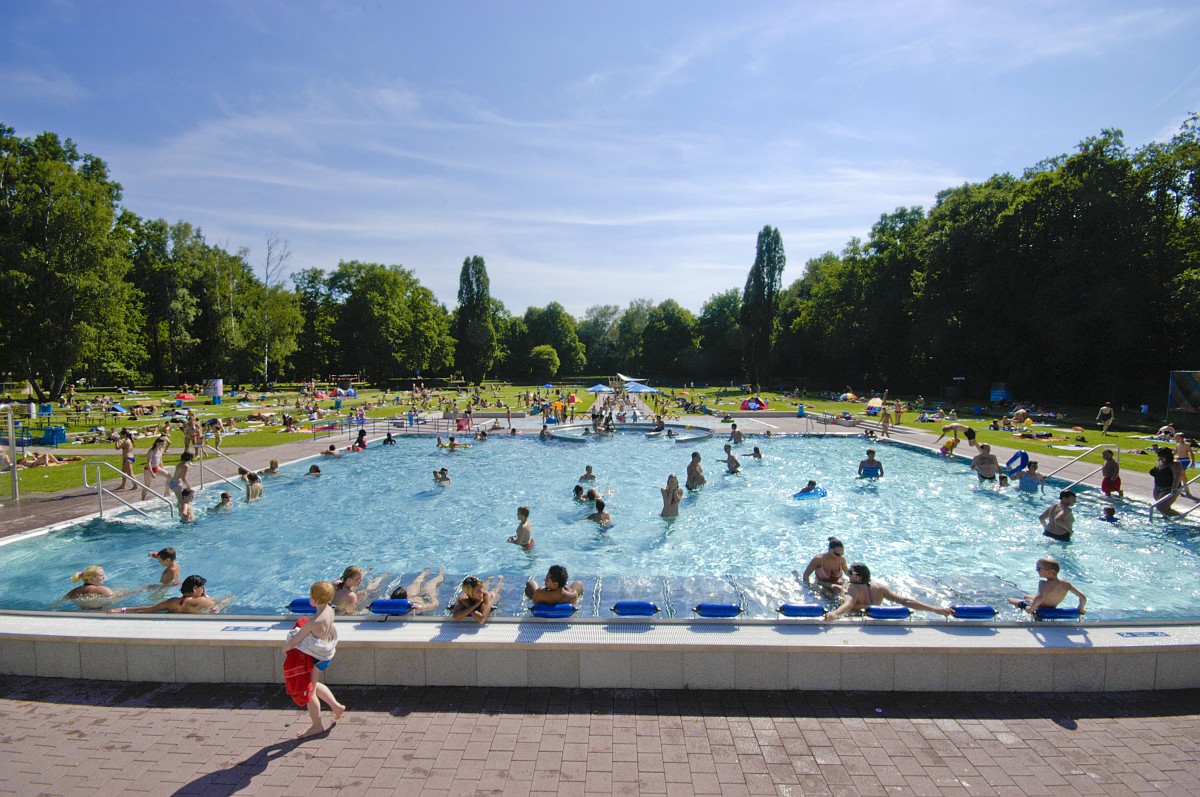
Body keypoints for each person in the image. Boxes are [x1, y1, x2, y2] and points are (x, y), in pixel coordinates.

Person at [283, 581, 345, 738]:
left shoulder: (313, 622)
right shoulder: (330, 610)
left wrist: (286, 648)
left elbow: (295, 640)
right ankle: (336, 707)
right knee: (315, 685)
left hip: (317, 659)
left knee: (309, 693)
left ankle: (317, 726)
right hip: (325, 656)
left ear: (314, 600)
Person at [823, 563, 952, 621]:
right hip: (875, 618)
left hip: (856, 618)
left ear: (857, 577)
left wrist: (834, 613)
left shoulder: (853, 587)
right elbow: (905, 601)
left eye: (850, 573)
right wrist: (935, 609)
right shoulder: (880, 587)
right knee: (839, 588)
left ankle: (820, 584)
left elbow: (848, 604)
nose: (848, 574)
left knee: (834, 591)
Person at [1008, 557, 1086, 616]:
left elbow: (1040, 597)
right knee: (1027, 596)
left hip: (1041, 607)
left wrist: (1030, 609)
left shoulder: (1043, 584)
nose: (1037, 570)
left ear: (1050, 572)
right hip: (1053, 607)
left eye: (1039, 569)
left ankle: (1023, 604)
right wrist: (1080, 608)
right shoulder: (1066, 584)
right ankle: (1028, 600)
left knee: (1010, 599)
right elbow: (1083, 597)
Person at [110, 574, 218, 614]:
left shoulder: (172, 602)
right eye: (202, 587)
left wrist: (121, 609)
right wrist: (206, 596)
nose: (203, 589)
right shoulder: (202, 601)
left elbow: (148, 609)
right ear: (195, 588)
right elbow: (218, 605)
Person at [1150, 450, 1180, 516]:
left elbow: (1177, 477)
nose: (1160, 458)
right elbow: (1156, 475)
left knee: (1161, 507)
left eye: (1162, 457)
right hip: (1158, 487)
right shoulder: (1160, 463)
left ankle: (1180, 516)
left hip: (1169, 488)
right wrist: (1155, 488)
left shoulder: (1174, 465)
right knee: (1164, 508)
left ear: (1167, 457)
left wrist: (1174, 488)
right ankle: (1168, 518)